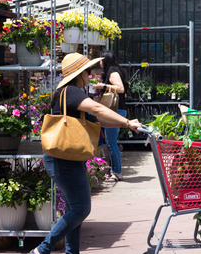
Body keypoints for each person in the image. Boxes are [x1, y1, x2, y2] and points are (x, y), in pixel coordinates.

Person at [30, 52, 142, 254]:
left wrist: (126, 125)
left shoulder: (70, 93)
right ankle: (41, 250)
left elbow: (98, 120)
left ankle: (72, 252)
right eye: (88, 71)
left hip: (68, 158)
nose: (91, 76)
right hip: (63, 160)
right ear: (79, 74)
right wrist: (126, 122)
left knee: (75, 209)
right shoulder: (71, 92)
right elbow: (98, 109)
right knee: (81, 209)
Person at [92, 50, 129, 181]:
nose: (100, 63)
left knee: (111, 142)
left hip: (116, 110)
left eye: (101, 60)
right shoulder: (114, 70)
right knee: (107, 140)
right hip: (117, 110)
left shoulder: (112, 72)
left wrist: (103, 86)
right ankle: (110, 169)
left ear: (106, 60)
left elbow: (121, 89)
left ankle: (117, 172)